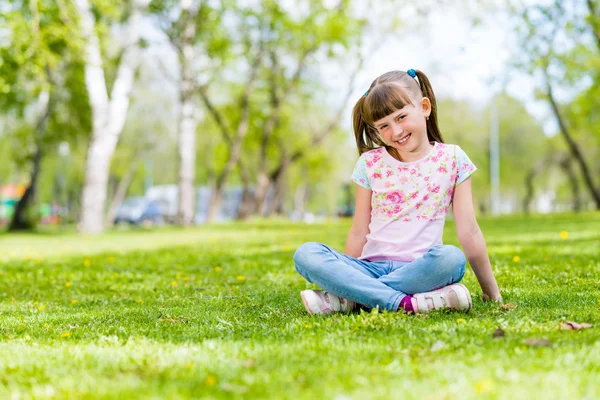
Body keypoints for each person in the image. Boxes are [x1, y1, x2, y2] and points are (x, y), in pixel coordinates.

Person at [293, 69, 502, 315]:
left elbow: (469, 231)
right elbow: (359, 230)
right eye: (384, 126)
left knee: (452, 259)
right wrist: (348, 275)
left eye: (401, 117)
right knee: (306, 254)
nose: (396, 132)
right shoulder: (369, 163)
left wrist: (491, 292)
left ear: (424, 107)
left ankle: (354, 299)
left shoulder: (453, 159)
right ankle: (405, 303)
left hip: (421, 269)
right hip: (370, 267)